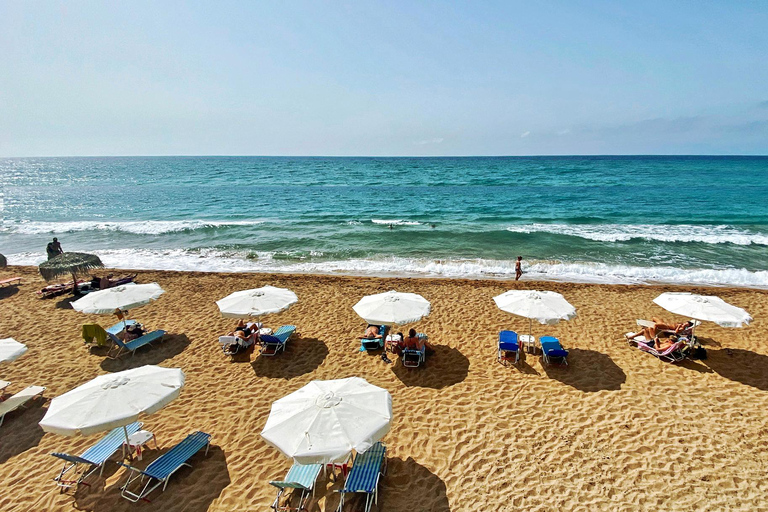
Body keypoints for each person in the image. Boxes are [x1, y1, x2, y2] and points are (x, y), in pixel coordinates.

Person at [626, 319, 694, 341]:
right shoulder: (682, 324)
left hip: (666, 327)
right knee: (654, 318)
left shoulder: (681, 328)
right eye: (686, 322)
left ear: (688, 326)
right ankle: (650, 330)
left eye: (687, 324)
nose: (685, 324)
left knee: (655, 325)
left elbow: (676, 332)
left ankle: (653, 335)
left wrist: (679, 326)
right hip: (665, 324)